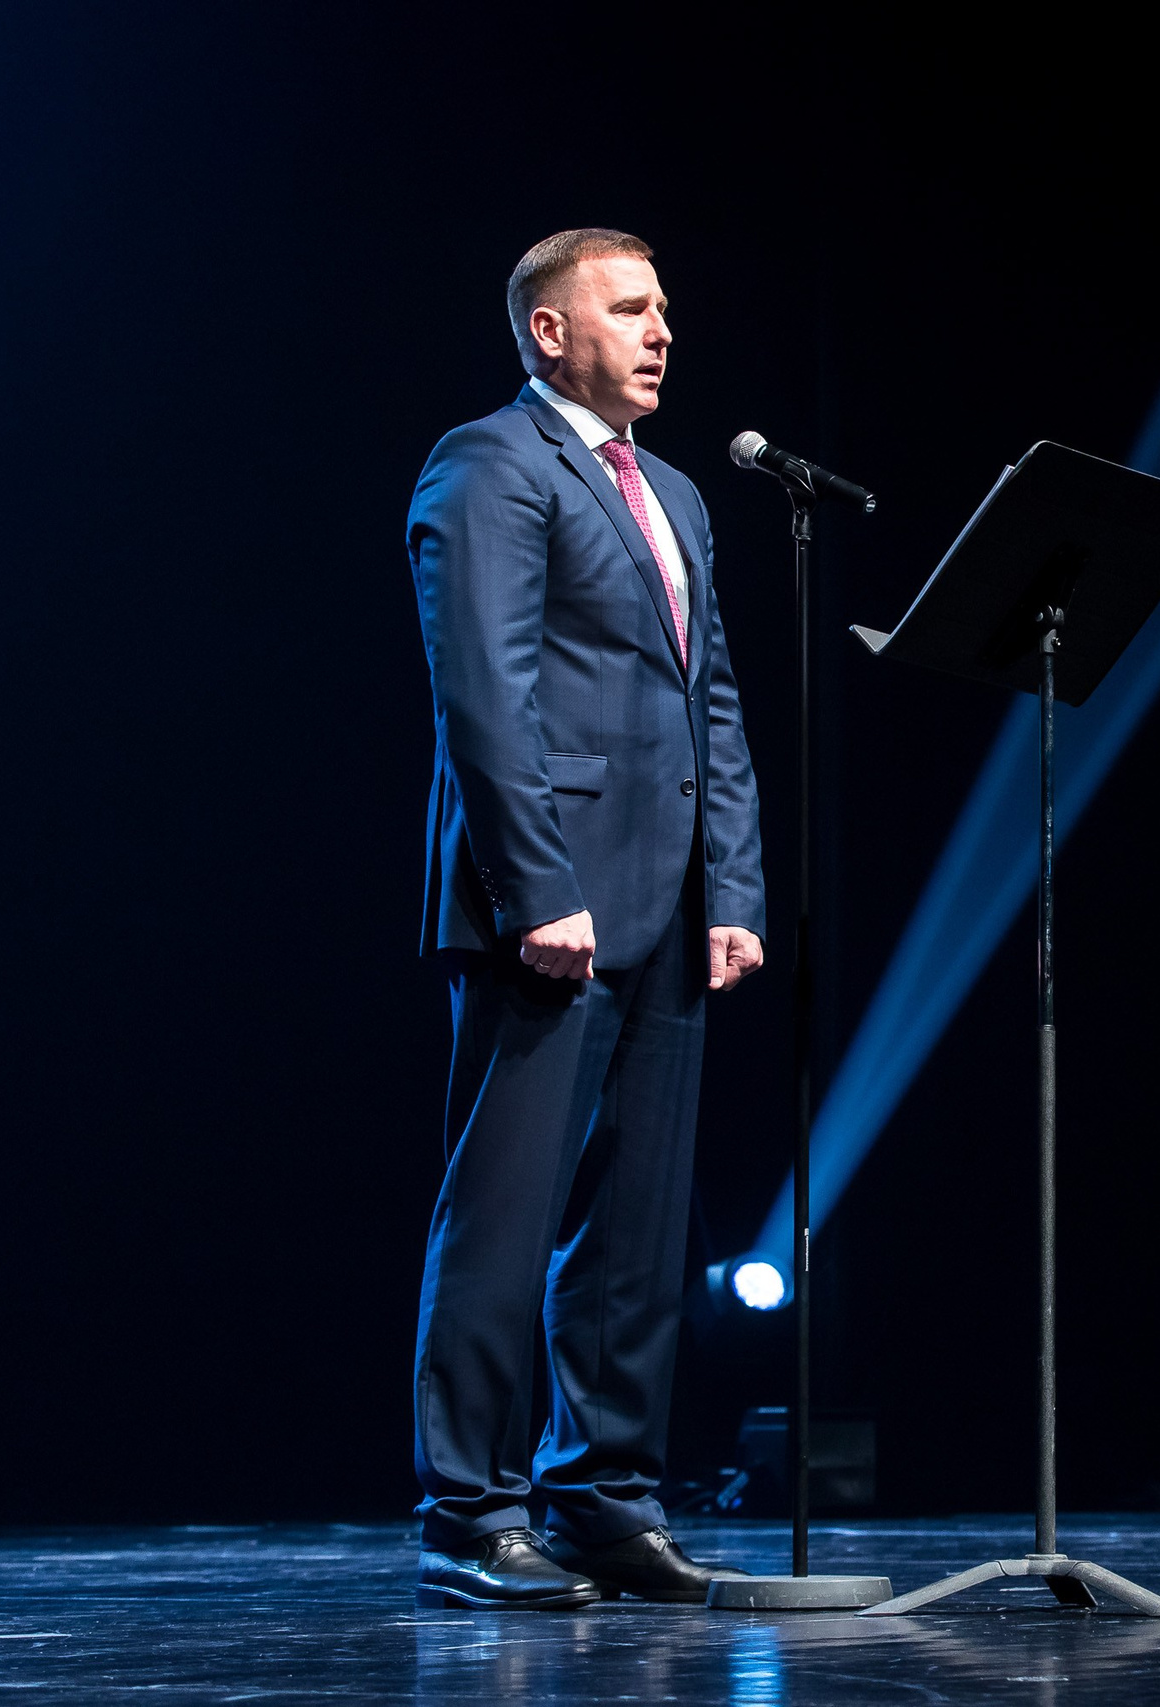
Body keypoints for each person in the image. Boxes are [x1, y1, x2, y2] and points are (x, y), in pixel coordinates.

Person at [406, 229, 770, 1607]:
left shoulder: (674, 489)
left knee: (638, 1228)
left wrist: (729, 888)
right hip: (544, 901)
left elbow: (712, 699)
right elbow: (484, 694)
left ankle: (608, 1496)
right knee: (503, 1218)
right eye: (629, 307)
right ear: (551, 332)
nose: (662, 327)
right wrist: (531, 885)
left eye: (666, 306)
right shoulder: (489, 462)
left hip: (669, 900)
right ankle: (469, 1506)